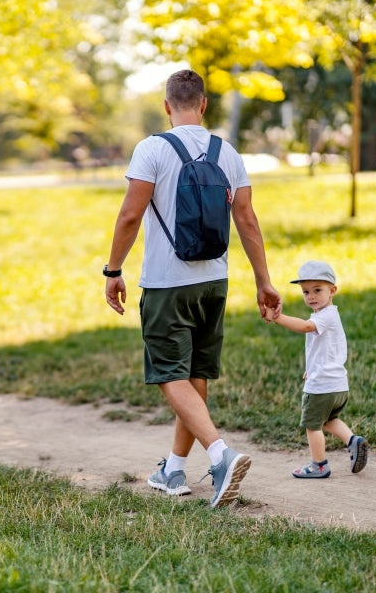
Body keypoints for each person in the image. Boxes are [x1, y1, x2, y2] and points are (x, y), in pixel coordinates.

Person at [104, 69, 281, 507]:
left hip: (168, 283)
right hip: (214, 282)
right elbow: (247, 220)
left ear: (167, 107)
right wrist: (264, 281)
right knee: (195, 375)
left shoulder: (152, 149)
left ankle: (221, 457)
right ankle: (174, 470)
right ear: (203, 105)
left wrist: (113, 270)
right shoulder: (228, 152)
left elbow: (130, 214)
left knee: (169, 374)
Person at [264, 260, 367, 479]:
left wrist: (278, 318)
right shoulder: (327, 315)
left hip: (322, 387)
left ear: (333, 291)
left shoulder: (325, 316)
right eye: (306, 291)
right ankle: (353, 441)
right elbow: (324, 350)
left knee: (312, 425)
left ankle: (319, 465)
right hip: (338, 385)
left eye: (317, 290)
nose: (311, 296)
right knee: (328, 421)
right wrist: (310, 369)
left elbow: (304, 327)